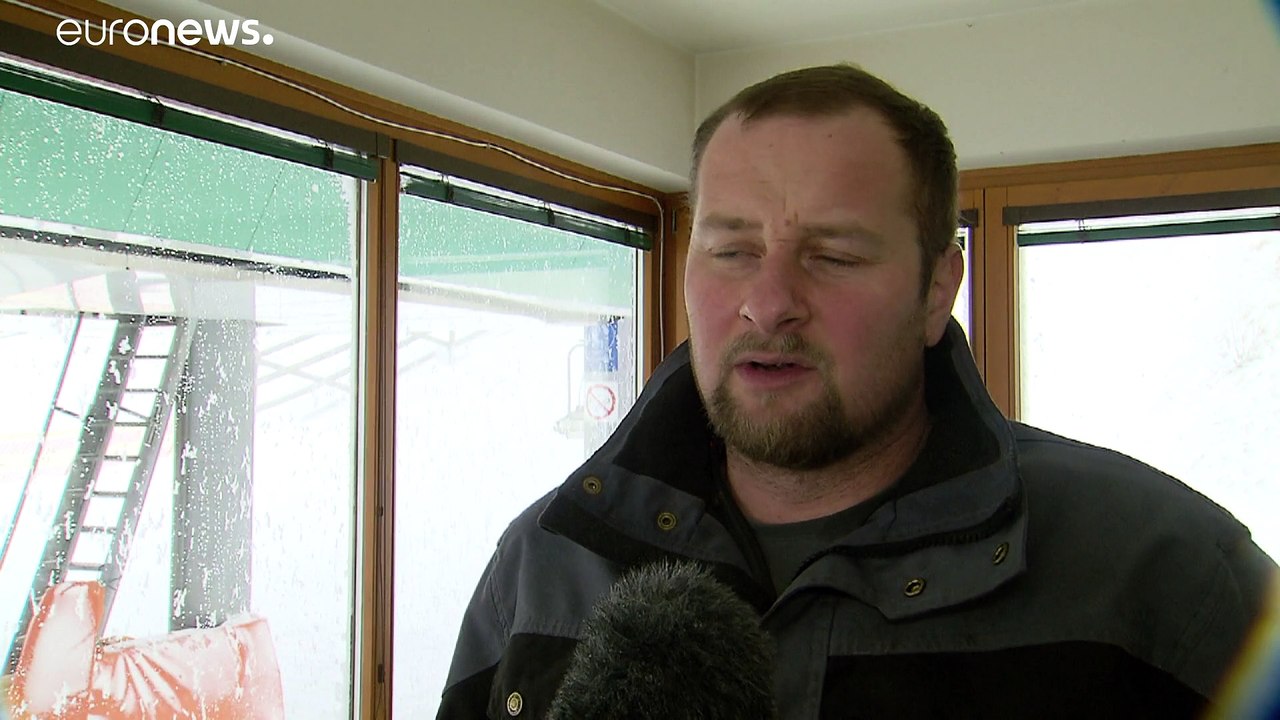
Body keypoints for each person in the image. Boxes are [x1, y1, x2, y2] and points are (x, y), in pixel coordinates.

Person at [436, 64, 1278, 718]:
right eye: (730, 250)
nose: (767, 301)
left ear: (937, 290)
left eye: (834, 255)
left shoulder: (1163, 574)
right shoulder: (546, 560)